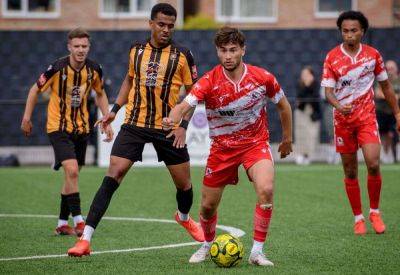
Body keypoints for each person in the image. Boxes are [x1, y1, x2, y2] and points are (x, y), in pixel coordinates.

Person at [68, 3, 203, 257]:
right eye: (161, 24)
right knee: (113, 175)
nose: (166, 30)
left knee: (184, 185)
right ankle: (85, 239)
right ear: (150, 23)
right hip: (135, 124)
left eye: (170, 26)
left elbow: (195, 93)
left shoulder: (183, 54)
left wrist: (183, 126)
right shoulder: (136, 50)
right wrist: (114, 110)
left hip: (168, 127)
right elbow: (130, 80)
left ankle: (184, 217)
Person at [163, 27, 293, 266]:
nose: (228, 56)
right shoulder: (208, 81)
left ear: (243, 50)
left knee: (266, 189)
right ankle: (207, 244)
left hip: (255, 144)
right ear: (217, 52)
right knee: (207, 206)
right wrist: (173, 119)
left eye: (233, 50)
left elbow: (284, 106)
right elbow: (184, 104)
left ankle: (257, 252)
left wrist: (287, 139)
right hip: (222, 149)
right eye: (223, 51)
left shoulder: (262, 77)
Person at [20, 28, 113, 236]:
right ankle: (80, 221)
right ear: (69, 47)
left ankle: (62, 223)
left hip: (81, 127)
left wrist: (107, 117)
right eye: (77, 46)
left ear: (89, 47)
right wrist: (26, 117)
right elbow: (35, 89)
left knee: (73, 174)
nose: (81, 50)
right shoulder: (57, 68)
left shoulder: (95, 69)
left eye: (84, 46)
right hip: (58, 126)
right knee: (71, 171)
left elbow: (100, 93)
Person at [321, 11, 400, 235]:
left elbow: (386, 87)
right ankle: (358, 218)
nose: (349, 35)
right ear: (341, 32)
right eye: (345, 31)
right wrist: (338, 105)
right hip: (343, 121)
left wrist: (397, 113)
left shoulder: (373, 55)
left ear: (362, 31)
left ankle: (375, 212)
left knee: (373, 163)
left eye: (354, 30)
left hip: (366, 118)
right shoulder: (332, 57)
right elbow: (328, 92)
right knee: (350, 171)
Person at [295, 66, 321, 165]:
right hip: (301, 112)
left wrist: (308, 86)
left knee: (311, 134)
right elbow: (300, 96)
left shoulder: (316, 84)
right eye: (303, 75)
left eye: (306, 74)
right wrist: (306, 87)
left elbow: (314, 97)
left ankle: (308, 155)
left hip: (312, 113)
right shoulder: (299, 84)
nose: (304, 76)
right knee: (301, 134)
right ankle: (301, 154)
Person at [375, 60, 400, 163]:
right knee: (382, 134)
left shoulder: (398, 81)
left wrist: (388, 96)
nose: (390, 71)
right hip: (382, 111)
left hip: (395, 112)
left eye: (392, 68)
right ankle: (384, 154)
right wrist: (393, 96)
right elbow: (378, 94)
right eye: (388, 69)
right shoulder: (381, 80)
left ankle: (394, 156)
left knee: (392, 134)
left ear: (396, 69)